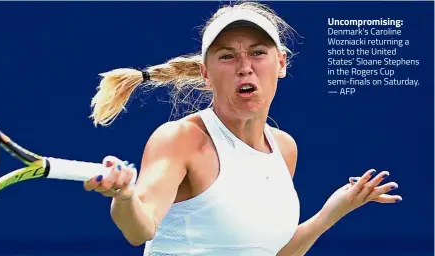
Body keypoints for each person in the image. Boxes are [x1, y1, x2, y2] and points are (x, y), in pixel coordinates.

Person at [83, 2, 402, 255]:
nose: (245, 66)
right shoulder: (181, 138)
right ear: (206, 73)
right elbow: (139, 230)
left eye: (257, 52)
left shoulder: (283, 148)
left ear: (281, 63)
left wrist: (331, 212)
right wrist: (124, 197)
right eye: (227, 56)